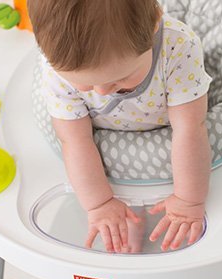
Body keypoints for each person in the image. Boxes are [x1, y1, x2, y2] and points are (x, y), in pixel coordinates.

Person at [28, 0, 212, 253]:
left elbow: (190, 127)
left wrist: (188, 200)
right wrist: (100, 204)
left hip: (166, 121)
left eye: (120, 79)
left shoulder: (178, 46)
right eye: (86, 84)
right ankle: (130, 221)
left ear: (153, 27)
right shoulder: (56, 70)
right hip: (101, 136)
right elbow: (74, 140)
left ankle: (137, 218)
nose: (102, 92)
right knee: (115, 210)